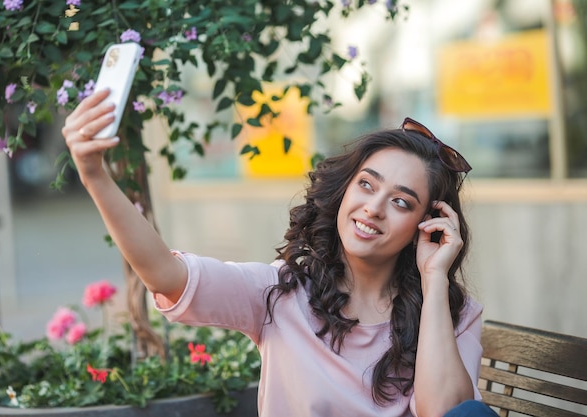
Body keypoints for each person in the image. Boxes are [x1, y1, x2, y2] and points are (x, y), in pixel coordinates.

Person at [62, 88, 499, 417]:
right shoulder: (281, 293)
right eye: (366, 184)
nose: (374, 207)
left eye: (401, 202)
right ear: (344, 191)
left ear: (426, 225)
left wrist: (435, 278)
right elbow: (164, 274)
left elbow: (450, 413)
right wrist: (94, 176)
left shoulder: (451, 314)